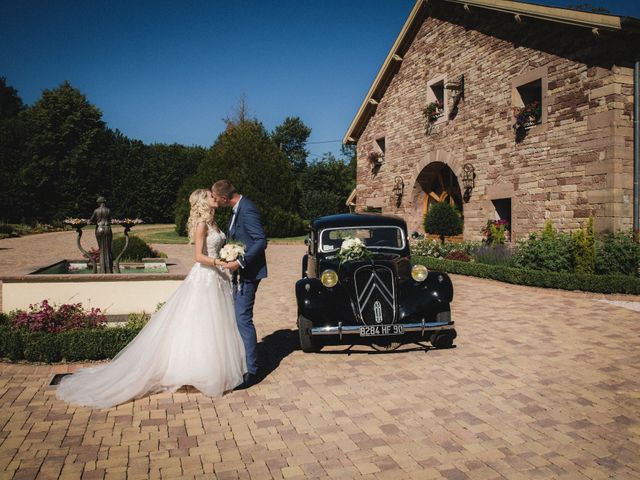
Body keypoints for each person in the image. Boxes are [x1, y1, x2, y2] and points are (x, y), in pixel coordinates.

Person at [56, 189, 247, 408]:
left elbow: (217, 247)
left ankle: (216, 367)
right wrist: (220, 263)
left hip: (218, 279)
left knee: (216, 324)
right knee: (202, 322)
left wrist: (228, 255)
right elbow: (198, 257)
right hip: (206, 277)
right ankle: (197, 371)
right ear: (203, 202)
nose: (214, 197)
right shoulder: (202, 225)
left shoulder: (214, 223)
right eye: (210, 196)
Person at [212, 180, 267, 389]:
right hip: (238, 274)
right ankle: (242, 362)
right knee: (238, 317)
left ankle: (252, 372)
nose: (216, 202)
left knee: (243, 318)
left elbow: (261, 240)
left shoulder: (247, 209)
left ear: (225, 198)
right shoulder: (236, 209)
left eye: (217, 198)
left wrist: (239, 261)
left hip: (248, 273)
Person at [89, 196, 113, 273]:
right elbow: (110, 220)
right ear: (104, 202)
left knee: (101, 249)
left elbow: (91, 221)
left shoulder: (96, 211)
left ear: (99, 203)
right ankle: (109, 269)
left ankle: (102, 269)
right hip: (107, 228)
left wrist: (95, 222)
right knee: (107, 249)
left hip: (99, 229)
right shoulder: (108, 210)